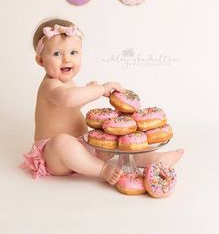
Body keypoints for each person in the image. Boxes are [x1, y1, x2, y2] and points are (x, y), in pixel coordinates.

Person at [21, 18, 184, 183]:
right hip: (55, 154)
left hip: (83, 143)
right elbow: (68, 99)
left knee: (114, 139)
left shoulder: (67, 82)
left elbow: (72, 105)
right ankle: (102, 169)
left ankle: (151, 159)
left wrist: (90, 91)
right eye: (57, 53)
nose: (67, 59)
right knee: (62, 142)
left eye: (73, 52)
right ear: (41, 60)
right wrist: (100, 89)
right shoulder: (50, 85)